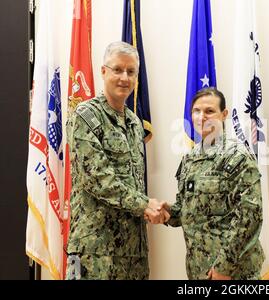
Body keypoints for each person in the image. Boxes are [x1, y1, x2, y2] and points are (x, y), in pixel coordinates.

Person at [65, 41, 168, 280]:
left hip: (133, 254)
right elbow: (99, 180)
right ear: (103, 71)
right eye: (117, 69)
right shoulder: (85, 116)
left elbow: (133, 182)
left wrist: (162, 210)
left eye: (131, 72)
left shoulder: (134, 123)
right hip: (95, 252)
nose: (124, 77)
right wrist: (145, 204)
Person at [165, 87, 265, 280]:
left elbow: (250, 216)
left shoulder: (237, 157)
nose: (202, 117)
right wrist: (166, 212)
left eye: (209, 111)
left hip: (234, 273)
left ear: (224, 114)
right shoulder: (190, 159)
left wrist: (224, 267)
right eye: (196, 111)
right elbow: (189, 209)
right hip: (199, 270)